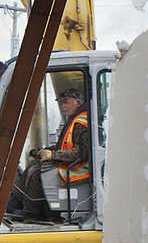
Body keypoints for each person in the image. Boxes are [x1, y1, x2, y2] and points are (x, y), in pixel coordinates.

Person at [7, 88, 91, 220]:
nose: (62, 106)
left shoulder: (82, 122)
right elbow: (63, 145)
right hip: (71, 162)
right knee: (33, 166)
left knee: (36, 173)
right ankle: (20, 202)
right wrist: (45, 151)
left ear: (78, 102)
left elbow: (82, 152)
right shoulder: (73, 120)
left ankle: (32, 213)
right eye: (61, 102)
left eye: (66, 102)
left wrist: (53, 155)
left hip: (79, 167)